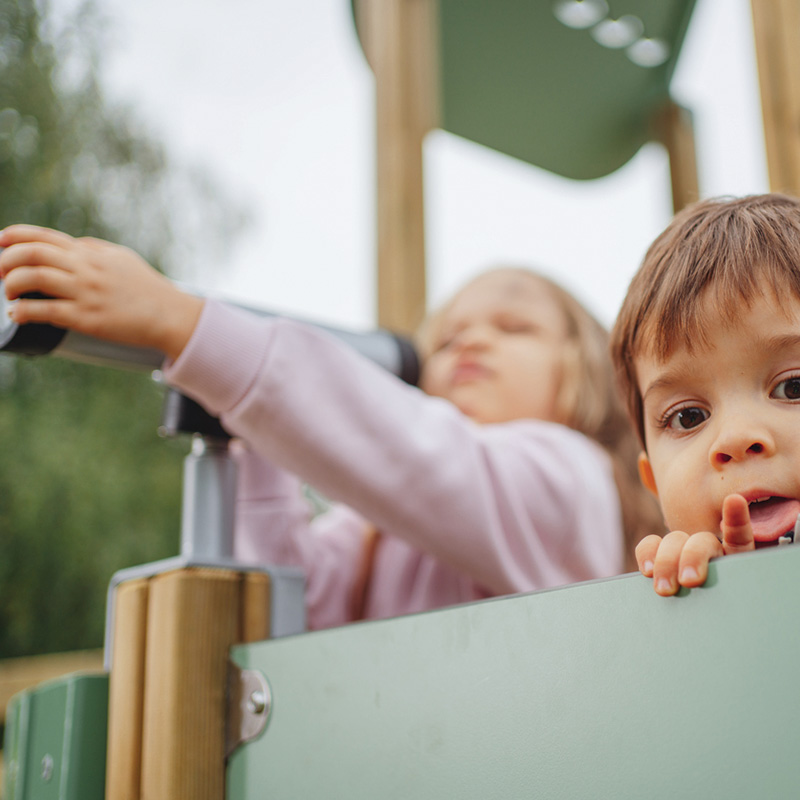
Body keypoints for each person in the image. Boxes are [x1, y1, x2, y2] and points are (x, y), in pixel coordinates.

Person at [0, 225, 661, 628]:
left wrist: (187, 323)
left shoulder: (574, 478)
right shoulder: (378, 532)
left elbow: (424, 457)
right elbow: (292, 602)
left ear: (585, 373)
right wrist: (247, 429)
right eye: (450, 334)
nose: (471, 342)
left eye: (513, 328)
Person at [610, 193, 800, 596]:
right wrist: (712, 600)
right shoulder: (683, 596)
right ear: (653, 482)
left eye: (792, 387)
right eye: (688, 417)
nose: (735, 437)